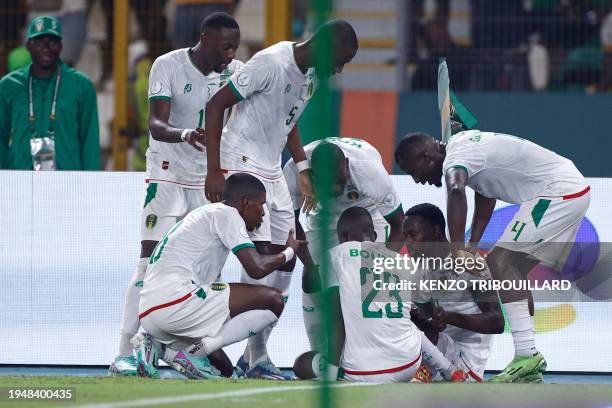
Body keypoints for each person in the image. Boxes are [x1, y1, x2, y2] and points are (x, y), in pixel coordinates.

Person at [204, 19, 358, 378]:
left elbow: (288, 122)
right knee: (254, 263)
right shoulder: (270, 63)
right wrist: (214, 170)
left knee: (288, 257)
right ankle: (199, 345)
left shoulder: (312, 77)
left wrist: (302, 166)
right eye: (339, 60)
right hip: (240, 163)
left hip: (272, 168)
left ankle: (255, 357)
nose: (338, 70)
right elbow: (215, 105)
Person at [395, 129, 590, 382]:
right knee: (512, 271)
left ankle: (527, 356)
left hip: (558, 191)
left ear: (427, 157)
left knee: (500, 262)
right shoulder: (465, 151)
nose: (416, 181)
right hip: (567, 188)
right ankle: (528, 362)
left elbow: (455, 190)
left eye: (413, 172)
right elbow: (486, 193)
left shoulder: (456, 159)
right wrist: (470, 247)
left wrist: (457, 250)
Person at [109, 12, 242, 377]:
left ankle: (180, 349)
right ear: (205, 39)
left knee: (204, 271)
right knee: (148, 261)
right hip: (166, 178)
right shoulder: (167, 65)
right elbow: (155, 123)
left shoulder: (236, 72)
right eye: (225, 46)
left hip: (210, 182)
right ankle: (123, 351)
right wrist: (185, 134)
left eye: (235, 46)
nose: (230, 54)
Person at [135, 173, 305, 379]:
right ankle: (196, 353)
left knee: (223, 370)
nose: (263, 213)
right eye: (261, 204)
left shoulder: (205, 215)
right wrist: (289, 251)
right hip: (176, 302)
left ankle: (157, 346)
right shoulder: (227, 213)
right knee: (274, 300)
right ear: (246, 202)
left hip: (152, 313)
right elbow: (256, 268)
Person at [283, 137, 405, 351]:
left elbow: (399, 226)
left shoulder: (369, 172)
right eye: (328, 184)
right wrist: (310, 266)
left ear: (347, 165)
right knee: (311, 280)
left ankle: (381, 349)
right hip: (322, 214)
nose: (336, 189)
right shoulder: (294, 172)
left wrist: (383, 264)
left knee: (372, 279)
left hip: (365, 209)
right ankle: (319, 353)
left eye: (340, 181)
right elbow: (290, 225)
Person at [293, 207, 421, 383]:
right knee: (410, 324)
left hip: (363, 371)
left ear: (342, 238)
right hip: (408, 365)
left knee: (302, 364)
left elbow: (335, 317)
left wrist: (331, 371)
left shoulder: (337, 255)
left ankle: (336, 369)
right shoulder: (399, 260)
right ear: (374, 236)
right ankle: (438, 369)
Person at [403, 203, 504, 382]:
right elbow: (430, 320)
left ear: (435, 232)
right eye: (405, 237)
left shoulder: (470, 262)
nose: (407, 243)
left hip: (467, 363)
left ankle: (422, 376)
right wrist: (415, 317)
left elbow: (497, 322)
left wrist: (448, 317)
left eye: (413, 235)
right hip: (438, 351)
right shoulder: (418, 270)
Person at [0, 16, 100, 170]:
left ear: (60, 45)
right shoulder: (8, 86)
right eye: (38, 42)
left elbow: (90, 141)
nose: (45, 48)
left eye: (52, 42)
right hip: (20, 180)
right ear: (28, 46)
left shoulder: (81, 86)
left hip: (67, 181)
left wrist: (92, 185)